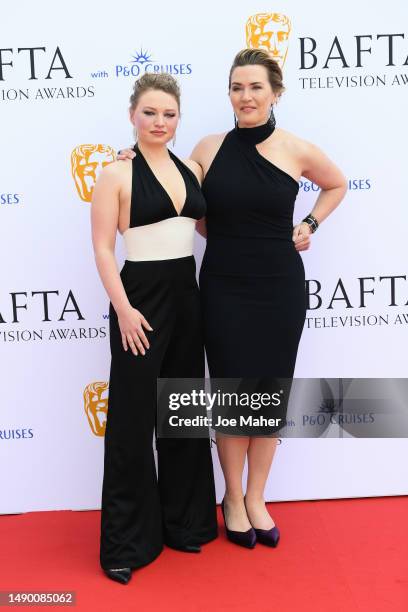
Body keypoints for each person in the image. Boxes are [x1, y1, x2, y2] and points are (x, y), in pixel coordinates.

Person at [117, 47, 345, 550]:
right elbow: (175, 186)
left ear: (275, 93)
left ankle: (257, 497)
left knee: (267, 395)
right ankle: (233, 499)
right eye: (237, 87)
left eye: (256, 87)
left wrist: (308, 224)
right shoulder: (208, 148)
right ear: (229, 94)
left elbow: (336, 184)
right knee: (230, 395)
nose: (245, 96)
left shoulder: (296, 149)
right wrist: (130, 158)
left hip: (279, 287)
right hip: (222, 287)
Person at [91, 73, 217, 585]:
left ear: (178, 118)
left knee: (183, 414)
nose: (159, 122)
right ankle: (126, 543)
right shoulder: (115, 174)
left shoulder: (192, 168)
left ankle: (184, 524)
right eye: (150, 113)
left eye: (168, 114)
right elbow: (102, 248)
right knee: (132, 421)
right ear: (132, 115)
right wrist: (122, 308)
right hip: (139, 299)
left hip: (188, 296)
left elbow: (204, 226)